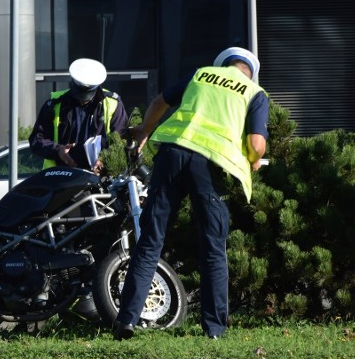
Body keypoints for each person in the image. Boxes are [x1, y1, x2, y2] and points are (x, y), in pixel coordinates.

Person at [113, 47, 269, 340]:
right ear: (250, 73)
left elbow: (160, 101)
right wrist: (254, 158)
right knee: (212, 248)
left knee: (150, 241)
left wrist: (145, 130)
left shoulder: (201, 74)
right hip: (209, 166)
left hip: (171, 154)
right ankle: (214, 329)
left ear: (222, 65)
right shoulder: (254, 93)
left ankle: (126, 321)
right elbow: (257, 144)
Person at [28, 58, 128, 174]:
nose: (82, 100)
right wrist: (58, 150)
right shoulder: (54, 104)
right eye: (79, 94)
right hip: (62, 177)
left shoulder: (113, 104)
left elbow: (122, 141)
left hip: (102, 179)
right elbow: (36, 140)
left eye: (86, 95)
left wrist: (104, 159)